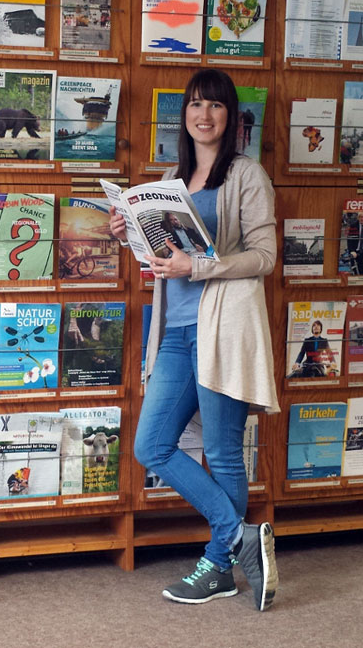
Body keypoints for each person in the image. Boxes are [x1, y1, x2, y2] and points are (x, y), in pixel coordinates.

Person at [109, 68, 279, 610]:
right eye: (195, 105)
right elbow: (163, 258)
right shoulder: (171, 178)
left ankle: (219, 567)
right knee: (151, 445)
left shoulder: (247, 175)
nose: (204, 116)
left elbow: (265, 257)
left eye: (216, 106)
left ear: (232, 117)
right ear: (184, 115)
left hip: (223, 328)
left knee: (223, 453)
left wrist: (200, 265)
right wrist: (129, 234)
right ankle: (238, 535)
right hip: (176, 331)